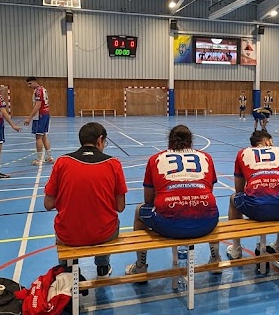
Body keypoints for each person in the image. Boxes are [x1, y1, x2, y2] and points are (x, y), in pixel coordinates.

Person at [126, 125, 220, 279]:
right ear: (191, 142)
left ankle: (141, 266)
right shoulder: (206, 157)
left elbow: (148, 200)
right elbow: (210, 189)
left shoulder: (155, 159)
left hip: (168, 225)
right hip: (206, 223)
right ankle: (215, 259)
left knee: (139, 212)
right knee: (209, 207)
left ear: (169, 142)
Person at [44, 122, 127, 277]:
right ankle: (102, 266)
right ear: (100, 140)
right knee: (109, 221)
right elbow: (120, 206)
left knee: (64, 225)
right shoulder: (113, 164)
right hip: (104, 234)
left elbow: (48, 204)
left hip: (69, 235)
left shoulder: (62, 162)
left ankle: (67, 269)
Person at [217, 130, 279, 261]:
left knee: (234, 199)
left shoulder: (243, 153)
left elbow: (239, 189)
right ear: (267, 141)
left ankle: (236, 248)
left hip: (256, 208)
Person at [24, 77, 53, 165]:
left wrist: (29, 117)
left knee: (38, 137)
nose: (29, 86)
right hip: (46, 114)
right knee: (44, 135)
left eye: (30, 83)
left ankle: (39, 159)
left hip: (40, 115)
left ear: (34, 82)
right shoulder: (43, 89)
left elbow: (38, 105)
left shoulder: (38, 91)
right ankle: (49, 157)